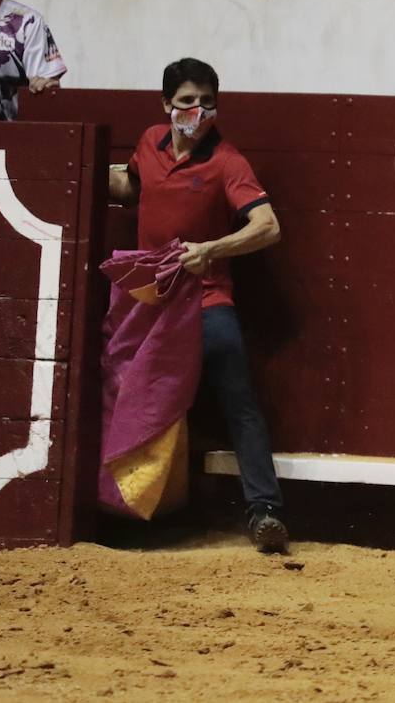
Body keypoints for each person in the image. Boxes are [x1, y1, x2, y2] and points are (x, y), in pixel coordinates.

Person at [107, 57, 289, 554]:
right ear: (167, 105)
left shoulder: (227, 160)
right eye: (187, 101)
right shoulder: (149, 142)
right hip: (149, 304)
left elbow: (267, 226)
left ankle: (264, 510)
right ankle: (134, 510)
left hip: (207, 299)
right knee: (137, 401)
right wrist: (81, 166)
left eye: (208, 102)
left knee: (239, 401)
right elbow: (131, 187)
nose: (198, 110)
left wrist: (209, 251)